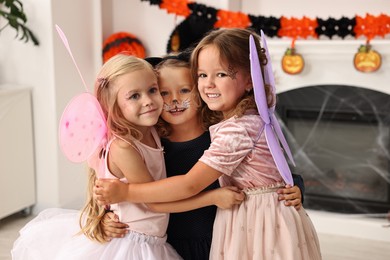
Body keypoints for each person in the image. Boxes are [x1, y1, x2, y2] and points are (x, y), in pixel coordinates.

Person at [95, 29, 321, 260]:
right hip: (170, 244)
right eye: (162, 92)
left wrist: (295, 187)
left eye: (184, 90)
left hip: (222, 237)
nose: (173, 100)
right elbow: (111, 184)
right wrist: (104, 216)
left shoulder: (218, 136)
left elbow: (267, 166)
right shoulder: (153, 140)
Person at [11, 54, 244, 260]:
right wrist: (104, 215)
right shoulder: (129, 144)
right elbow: (147, 200)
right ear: (114, 104)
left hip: (206, 237)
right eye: (162, 92)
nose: (151, 100)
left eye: (153, 90)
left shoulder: (158, 131)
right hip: (146, 241)